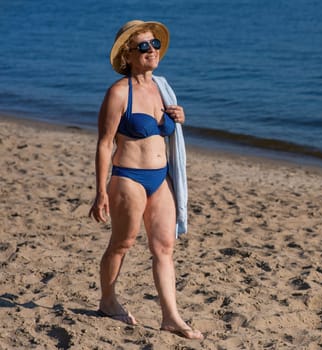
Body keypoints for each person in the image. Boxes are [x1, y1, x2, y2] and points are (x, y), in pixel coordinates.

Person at [89, 20, 203, 340]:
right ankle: (108, 300)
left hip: (160, 177)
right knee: (123, 243)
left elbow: (167, 132)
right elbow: (104, 143)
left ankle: (171, 317)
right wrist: (100, 192)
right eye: (143, 46)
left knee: (164, 247)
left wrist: (177, 118)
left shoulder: (162, 88)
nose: (152, 50)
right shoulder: (118, 93)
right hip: (128, 177)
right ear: (128, 54)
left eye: (154, 44)